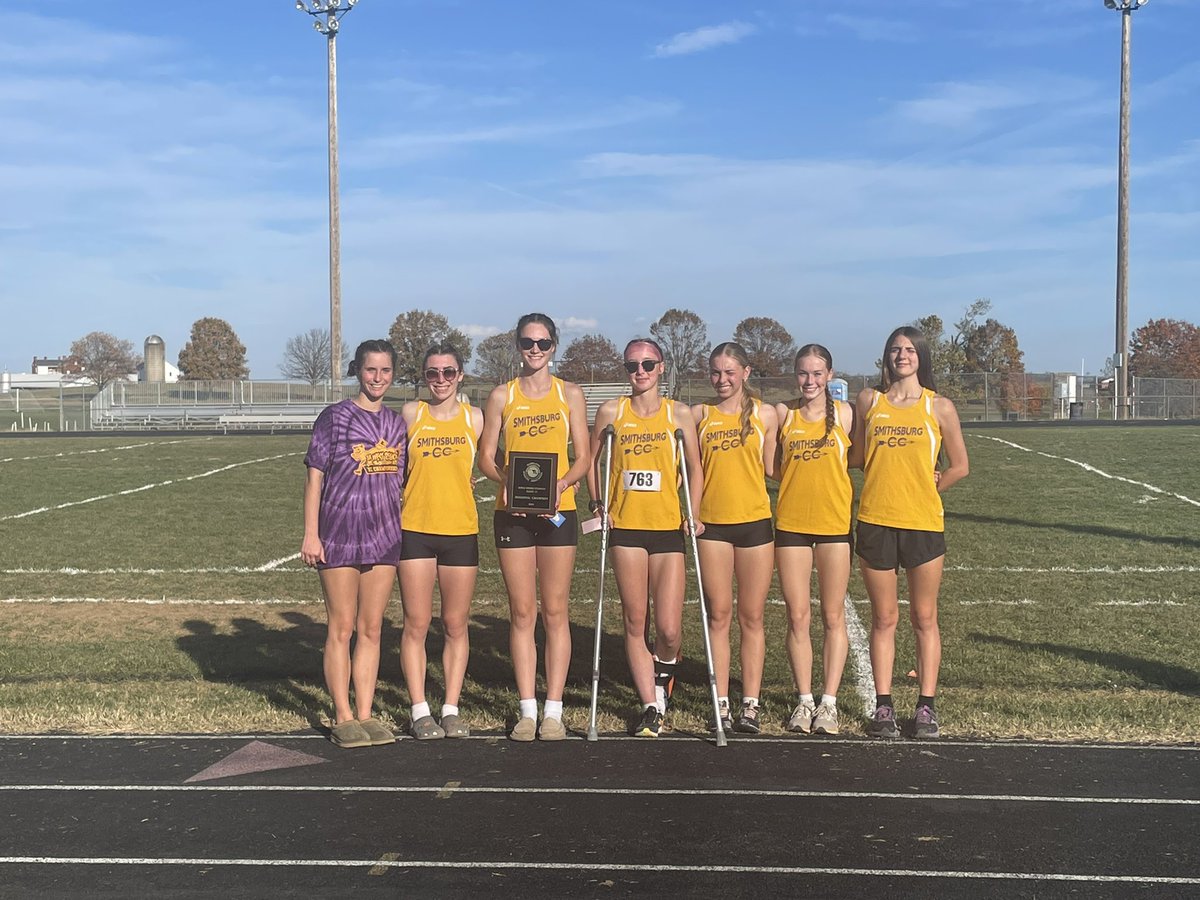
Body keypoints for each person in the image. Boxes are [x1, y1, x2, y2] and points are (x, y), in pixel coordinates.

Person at [850, 326, 969, 739]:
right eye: (895, 349)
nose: (902, 355)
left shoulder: (940, 407)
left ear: (921, 356)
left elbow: (959, 465)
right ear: (886, 356)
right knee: (884, 617)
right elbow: (859, 456)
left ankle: (926, 707)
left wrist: (928, 486)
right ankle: (884, 707)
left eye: (909, 349)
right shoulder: (870, 401)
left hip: (922, 524)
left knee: (924, 616)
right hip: (876, 521)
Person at [478, 313, 591, 741]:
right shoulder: (501, 396)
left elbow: (583, 456)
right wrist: (511, 483)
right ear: (518, 345)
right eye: (528, 342)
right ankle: (528, 709)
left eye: (543, 343)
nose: (536, 350)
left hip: (558, 513)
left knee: (556, 611)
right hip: (513, 516)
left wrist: (560, 484)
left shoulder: (571, 394)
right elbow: (487, 456)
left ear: (554, 345)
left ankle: (554, 710)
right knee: (523, 612)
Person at [587, 338, 703, 738]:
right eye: (632, 365)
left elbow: (694, 468)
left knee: (669, 629)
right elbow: (592, 461)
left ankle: (665, 673)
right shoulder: (611, 412)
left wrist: (695, 513)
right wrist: (598, 504)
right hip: (627, 530)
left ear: (661, 367)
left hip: (668, 527)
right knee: (635, 620)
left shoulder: (679, 414)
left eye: (648, 364)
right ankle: (651, 705)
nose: (640, 372)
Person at [301, 339, 405, 749]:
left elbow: (404, 479)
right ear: (357, 371)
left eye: (385, 371)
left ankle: (366, 711)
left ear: (393, 374)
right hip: (339, 535)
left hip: (384, 537)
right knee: (341, 627)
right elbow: (314, 478)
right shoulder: (335, 418)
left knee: (372, 628)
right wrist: (312, 533)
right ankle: (342, 715)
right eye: (370, 370)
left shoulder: (398, 425)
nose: (377, 378)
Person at [398, 344, 484, 740]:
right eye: (432, 373)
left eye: (449, 372)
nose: (441, 380)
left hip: (460, 532)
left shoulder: (475, 418)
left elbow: (488, 465)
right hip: (415, 529)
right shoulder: (412, 414)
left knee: (455, 623)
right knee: (416, 623)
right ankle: (419, 710)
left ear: (461, 374)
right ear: (424, 377)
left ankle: (450, 708)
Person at [691, 342, 778, 733]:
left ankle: (751, 705)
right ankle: (720, 702)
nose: (721, 379)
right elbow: (685, 470)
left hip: (755, 525)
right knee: (719, 616)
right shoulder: (699, 415)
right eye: (715, 372)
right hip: (712, 527)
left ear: (745, 372)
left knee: (753, 617)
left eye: (729, 372)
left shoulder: (767, 414)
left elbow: (776, 467)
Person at [773, 344, 854, 736]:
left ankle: (829, 704)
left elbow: (858, 461)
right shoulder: (783, 414)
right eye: (803, 374)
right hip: (791, 525)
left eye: (817, 373)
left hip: (835, 526)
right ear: (796, 375)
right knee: (797, 615)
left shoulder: (847, 415)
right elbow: (773, 467)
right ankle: (804, 700)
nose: (810, 381)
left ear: (830, 375)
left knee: (833, 615)